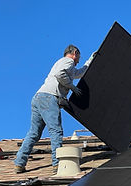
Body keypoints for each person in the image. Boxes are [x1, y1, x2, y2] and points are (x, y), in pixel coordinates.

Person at [14, 44, 95, 174]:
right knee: (56, 131)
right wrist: (72, 87)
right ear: (74, 53)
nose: (78, 60)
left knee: (33, 133)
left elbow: (79, 73)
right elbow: (59, 74)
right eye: (79, 57)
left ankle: (19, 163)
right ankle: (57, 164)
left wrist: (90, 60)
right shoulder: (67, 61)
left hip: (38, 97)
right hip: (49, 97)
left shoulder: (64, 64)